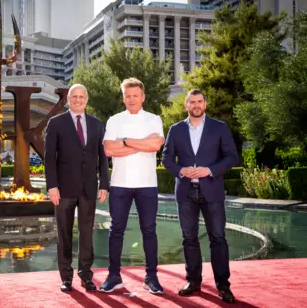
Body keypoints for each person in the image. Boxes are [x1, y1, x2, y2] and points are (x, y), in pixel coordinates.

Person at [161, 89, 238, 303]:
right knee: (189, 239)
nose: (196, 105)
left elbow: (232, 156)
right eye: (192, 102)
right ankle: (193, 281)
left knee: (218, 238)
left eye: (199, 101)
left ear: (205, 104)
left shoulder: (219, 127)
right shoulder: (176, 130)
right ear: (186, 105)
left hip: (211, 189)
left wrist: (210, 170)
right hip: (186, 191)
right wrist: (181, 170)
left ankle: (223, 286)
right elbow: (166, 158)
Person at [101, 78, 165, 294]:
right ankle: (114, 275)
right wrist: (140, 143)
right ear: (123, 97)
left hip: (147, 184)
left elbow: (155, 144)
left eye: (135, 96)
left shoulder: (154, 119)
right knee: (116, 231)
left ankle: (151, 277)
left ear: (143, 97)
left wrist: (125, 141)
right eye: (127, 96)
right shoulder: (114, 120)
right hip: (120, 184)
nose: (131, 99)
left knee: (149, 231)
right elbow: (109, 150)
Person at [44, 84, 110, 293]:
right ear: (68, 99)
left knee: (86, 234)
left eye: (82, 97)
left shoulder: (97, 124)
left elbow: (103, 158)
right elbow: (49, 159)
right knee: (64, 233)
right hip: (63, 190)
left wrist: (104, 185)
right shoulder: (56, 123)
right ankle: (66, 277)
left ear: (86, 99)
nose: (78, 100)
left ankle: (86, 275)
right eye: (74, 96)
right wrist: (52, 186)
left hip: (88, 188)